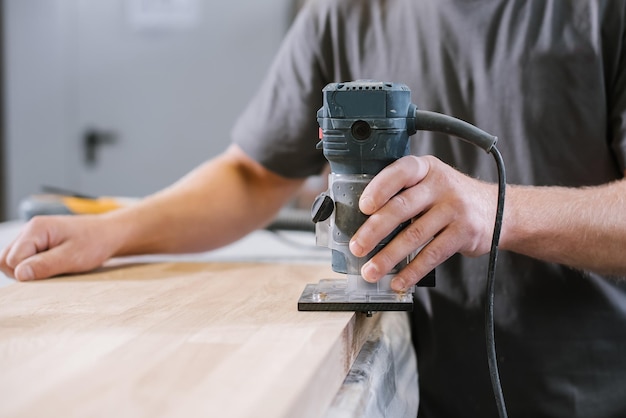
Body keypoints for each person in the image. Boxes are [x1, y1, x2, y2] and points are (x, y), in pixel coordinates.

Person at [2, 0, 626, 416]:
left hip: (580, 395)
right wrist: (111, 232)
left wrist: (499, 212)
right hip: (417, 389)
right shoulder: (346, 11)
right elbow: (253, 173)